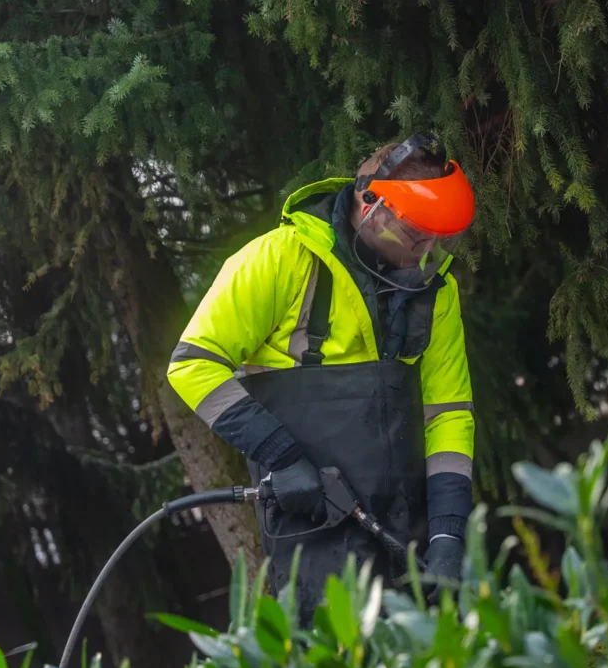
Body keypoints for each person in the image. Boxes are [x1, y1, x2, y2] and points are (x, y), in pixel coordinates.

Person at [166, 133, 476, 624]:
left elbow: (449, 415)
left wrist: (447, 536)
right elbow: (192, 364)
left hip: (409, 526)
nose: (427, 249)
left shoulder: (436, 293)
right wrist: (282, 458)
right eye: (417, 232)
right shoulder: (281, 259)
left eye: (438, 236)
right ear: (370, 204)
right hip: (313, 531)